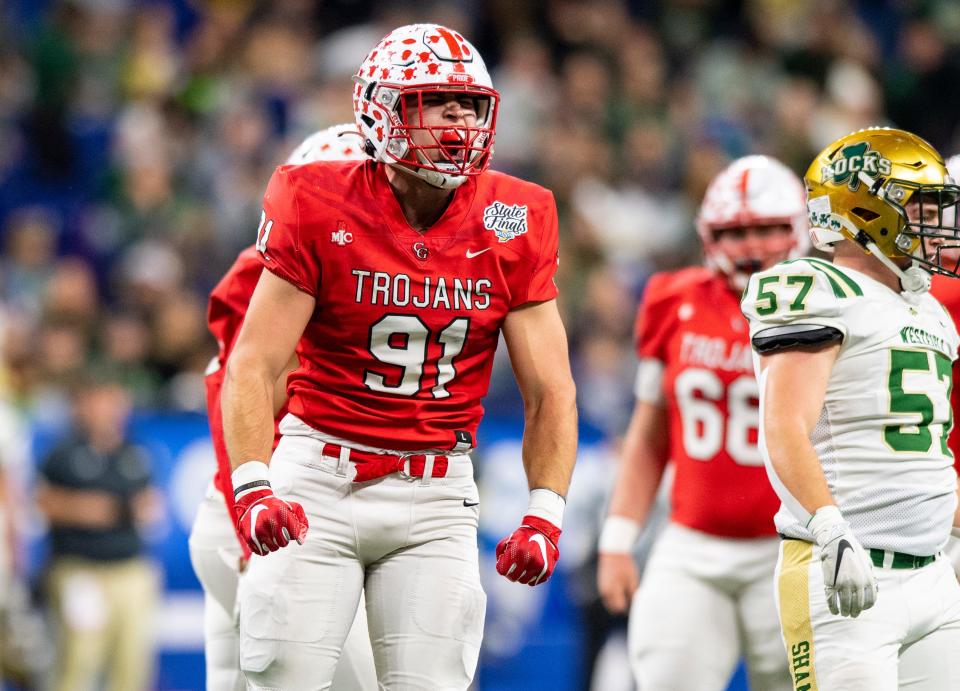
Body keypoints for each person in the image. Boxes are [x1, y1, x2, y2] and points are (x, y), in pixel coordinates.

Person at [221, 23, 577, 690]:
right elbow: (255, 362)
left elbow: (550, 389)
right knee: (282, 678)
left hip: (437, 490)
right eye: (437, 99)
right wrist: (252, 484)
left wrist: (545, 512)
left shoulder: (513, 216)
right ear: (379, 109)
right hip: (318, 476)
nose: (458, 117)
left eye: (469, 103)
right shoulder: (315, 198)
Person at [742, 127, 960, 689]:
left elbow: (926, 448)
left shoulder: (929, 311)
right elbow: (783, 425)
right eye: (919, 204)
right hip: (846, 571)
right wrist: (830, 529)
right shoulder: (816, 288)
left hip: (935, 576)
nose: (934, 222)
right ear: (865, 207)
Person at [596, 155, 804, 690]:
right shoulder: (674, 299)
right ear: (708, 235)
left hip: (795, 544)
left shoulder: (829, 305)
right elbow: (650, 433)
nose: (753, 246)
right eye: (735, 231)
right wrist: (618, 538)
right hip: (691, 542)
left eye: (767, 228)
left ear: (799, 228)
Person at [188, 123, 377, 691]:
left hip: (262, 512)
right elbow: (243, 395)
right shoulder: (267, 274)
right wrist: (253, 519)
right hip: (265, 515)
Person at [35, 372, 161, 691]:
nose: (107, 408)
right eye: (99, 399)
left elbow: (151, 509)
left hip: (130, 568)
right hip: (80, 570)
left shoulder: (135, 453)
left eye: (114, 399)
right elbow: (47, 505)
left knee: (132, 666)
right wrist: (113, 510)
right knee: (78, 661)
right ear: (82, 404)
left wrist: (98, 509)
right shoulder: (63, 452)